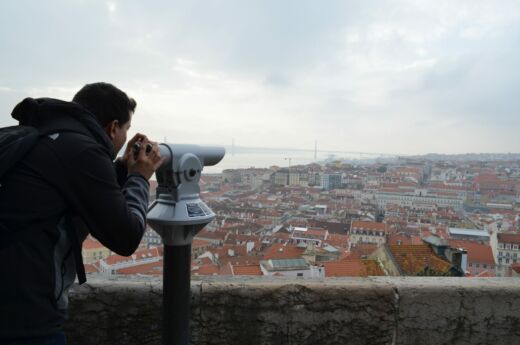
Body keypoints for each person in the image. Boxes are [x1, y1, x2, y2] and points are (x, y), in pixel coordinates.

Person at [0, 82, 163, 344]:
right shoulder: (84, 151)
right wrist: (140, 178)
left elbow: (80, 189)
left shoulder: (48, 136)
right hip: (26, 318)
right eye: (125, 129)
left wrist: (120, 168)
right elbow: (127, 237)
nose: (123, 140)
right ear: (113, 128)